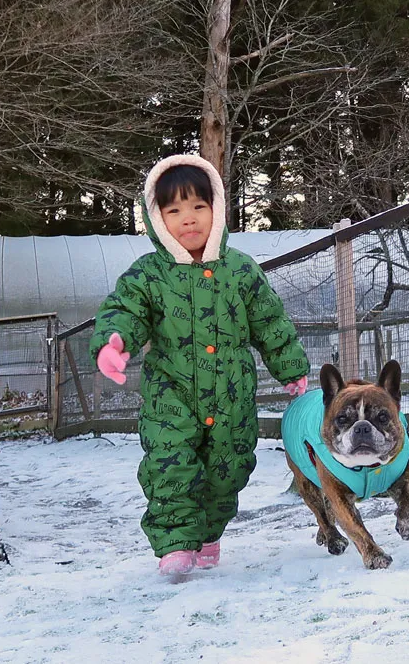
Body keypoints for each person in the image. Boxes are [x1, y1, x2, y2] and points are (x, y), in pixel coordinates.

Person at [89, 154, 310, 575]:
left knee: (230, 467)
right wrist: (113, 343)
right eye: (174, 210)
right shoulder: (148, 275)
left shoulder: (240, 270)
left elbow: (269, 321)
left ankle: (209, 531)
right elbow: (125, 311)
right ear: (157, 219)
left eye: (198, 208)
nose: (188, 220)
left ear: (218, 209)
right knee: (169, 463)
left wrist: (291, 367)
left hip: (232, 393)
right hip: (171, 393)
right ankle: (175, 544)